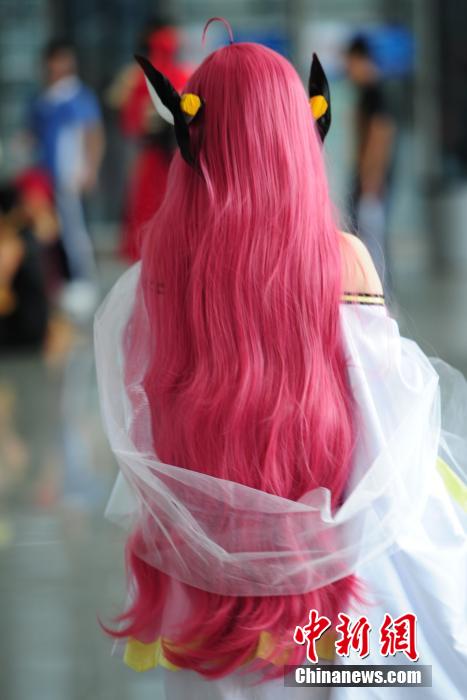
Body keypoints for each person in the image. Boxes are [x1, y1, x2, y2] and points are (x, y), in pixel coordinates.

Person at [94, 19, 466, 699]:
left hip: (205, 611)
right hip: (329, 599)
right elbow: (386, 437)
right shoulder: (341, 261)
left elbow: (150, 437)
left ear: (193, 140)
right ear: (294, 136)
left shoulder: (157, 276)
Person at [29, 39, 105, 320]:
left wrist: (90, 168)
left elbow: (93, 133)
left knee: (75, 231)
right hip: (45, 177)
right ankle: (60, 281)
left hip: (69, 174)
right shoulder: (43, 99)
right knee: (51, 231)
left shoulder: (78, 96)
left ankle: (83, 280)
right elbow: (34, 135)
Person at [107, 18, 190, 262]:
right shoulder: (181, 73)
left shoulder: (139, 77)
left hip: (160, 154)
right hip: (171, 155)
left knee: (152, 208)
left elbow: (129, 119)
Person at [344, 35, 395, 292]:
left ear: (360, 59)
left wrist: (370, 179)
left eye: (350, 62)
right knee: (370, 239)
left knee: (371, 242)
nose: (348, 69)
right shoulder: (369, 92)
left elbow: (380, 135)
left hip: (371, 181)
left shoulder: (374, 93)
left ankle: (377, 293)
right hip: (368, 178)